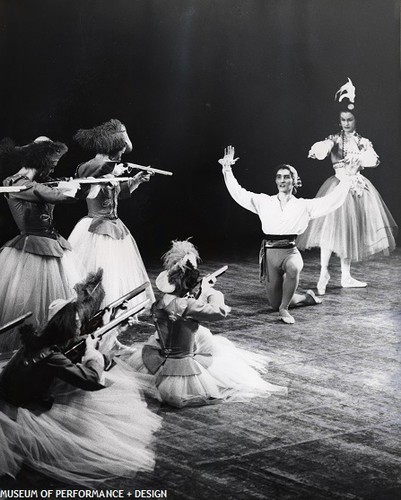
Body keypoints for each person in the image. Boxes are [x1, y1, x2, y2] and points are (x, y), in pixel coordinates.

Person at [0, 274, 161, 487]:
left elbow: (75, 344)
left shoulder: (39, 342)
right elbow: (91, 379)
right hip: (13, 412)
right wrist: (93, 351)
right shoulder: (52, 357)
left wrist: (111, 327)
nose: (78, 326)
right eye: (75, 323)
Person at [125, 240, 287, 408]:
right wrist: (210, 292)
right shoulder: (188, 305)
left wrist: (199, 292)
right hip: (181, 364)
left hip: (162, 357)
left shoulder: (160, 303)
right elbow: (218, 312)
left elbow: (180, 309)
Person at [219, 145, 362, 324]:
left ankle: (284, 309)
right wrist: (227, 168)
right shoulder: (264, 202)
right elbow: (238, 193)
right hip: (270, 254)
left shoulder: (304, 205)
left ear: (294, 181)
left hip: (290, 252)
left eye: (286, 177)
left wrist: (348, 178)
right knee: (273, 303)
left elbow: (331, 201)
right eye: (279, 177)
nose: (282, 180)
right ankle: (305, 298)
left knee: (293, 268)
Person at [297, 78, 398, 294]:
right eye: (343, 120)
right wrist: (319, 149)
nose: (346, 123)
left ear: (356, 120)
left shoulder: (362, 141)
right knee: (328, 232)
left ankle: (345, 275)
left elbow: (373, 158)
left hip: (358, 191)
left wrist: (361, 158)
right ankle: (324, 271)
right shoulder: (334, 138)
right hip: (337, 187)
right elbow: (325, 146)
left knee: (349, 232)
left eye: (349, 120)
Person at [0, 137, 85, 352]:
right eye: (52, 165)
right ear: (40, 162)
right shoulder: (15, 183)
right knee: (31, 305)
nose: (52, 169)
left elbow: (50, 190)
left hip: (50, 243)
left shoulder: (35, 182)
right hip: (32, 247)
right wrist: (72, 187)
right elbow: (60, 197)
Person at [68, 118, 155, 309]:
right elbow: (90, 176)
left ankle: (111, 325)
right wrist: (113, 169)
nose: (122, 154)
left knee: (114, 277)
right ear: (114, 148)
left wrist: (136, 180)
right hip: (96, 228)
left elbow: (119, 193)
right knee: (97, 277)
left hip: (114, 226)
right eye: (121, 150)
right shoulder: (90, 166)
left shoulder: (110, 167)